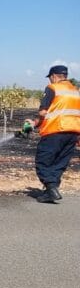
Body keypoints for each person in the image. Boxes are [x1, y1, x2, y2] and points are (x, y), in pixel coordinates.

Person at [29, 65, 80, 203]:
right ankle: (50, 192)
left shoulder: (53, 88)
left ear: (53, 76)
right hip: (73, 133)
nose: (50, 81)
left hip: (55, 130)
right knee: (59, 162)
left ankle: (51, 187)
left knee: (43, 161)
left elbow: (43, 112)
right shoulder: (75, 91)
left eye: (50, 78)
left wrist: (34, 124)